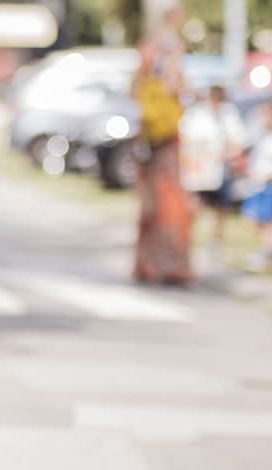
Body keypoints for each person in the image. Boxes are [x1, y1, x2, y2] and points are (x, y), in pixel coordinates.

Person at [131, 13, 194, 286]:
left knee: (155, 211)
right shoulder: (164, 68)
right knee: (167, 209)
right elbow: (175, 90)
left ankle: (152, 264)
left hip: (151, 144)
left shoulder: (145, 71)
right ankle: (166, 266)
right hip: (163, 146)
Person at [179, 86, 245, 260]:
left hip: (220, 169)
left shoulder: (228, 114)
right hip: (202, 172)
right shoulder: (197, 115)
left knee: (220, 208)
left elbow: (237, 140)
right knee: (196, 206)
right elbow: (186, 139)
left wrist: (228, 153)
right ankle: (188, 240)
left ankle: (216, 243)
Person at [240, 103, 272, 272]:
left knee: (266, 223)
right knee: (253, 220)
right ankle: (265, 252)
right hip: (258, 185)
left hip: (268, 186)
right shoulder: (262, 137)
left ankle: (266, 254)